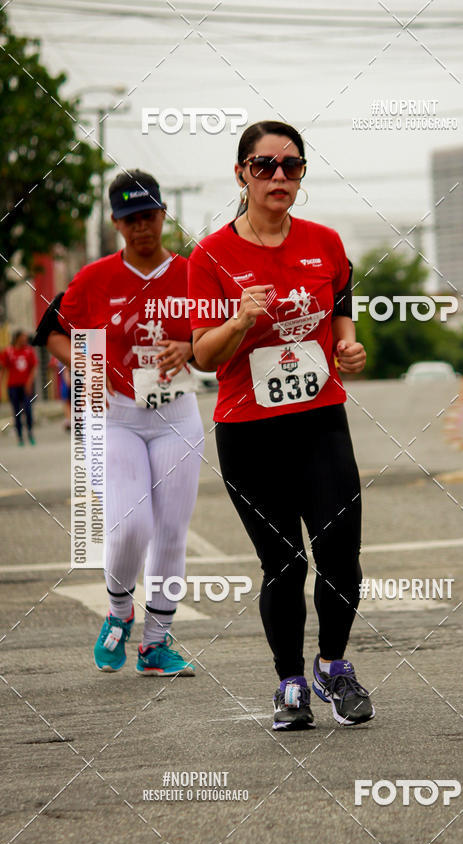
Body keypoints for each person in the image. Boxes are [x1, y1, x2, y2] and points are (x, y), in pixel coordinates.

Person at [189, 121, 375, 729]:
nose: (279, 176)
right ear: (241, 173)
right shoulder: (210, 255)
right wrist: (240, 321)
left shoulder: (325, 241)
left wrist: (348, 346)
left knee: (342, 557)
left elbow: (340, 305)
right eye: (264, 166)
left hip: (321, 420)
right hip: (250, 432)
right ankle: (290, 683)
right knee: (285, 564)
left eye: (291, 166)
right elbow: (204, 356)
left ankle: (334, 667)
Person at [35, 169, 204, 676]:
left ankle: (156, 645)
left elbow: (220, 339)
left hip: (177, 414)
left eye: (149, 216)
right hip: (117, 418)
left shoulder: (193, 273)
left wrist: (193, 346)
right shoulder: (94, 278)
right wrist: (83, 363)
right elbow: (51, 332)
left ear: (163, 215)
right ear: (116, 223)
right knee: (131, 527)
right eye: (130, 219)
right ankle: (118, 611)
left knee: (172, 532)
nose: (142, 228)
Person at [0, 330, 38, 445]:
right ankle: (20, 437)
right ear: (17, 338)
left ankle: (30, 433)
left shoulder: (29, 351)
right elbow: (3, 369)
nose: (25, 340)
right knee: (16, 412)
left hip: (25, 387)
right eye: (23, 337)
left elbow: (34, 368)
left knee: (28, 410)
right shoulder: (8, 352)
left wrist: (29, 383)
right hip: (13, 386)